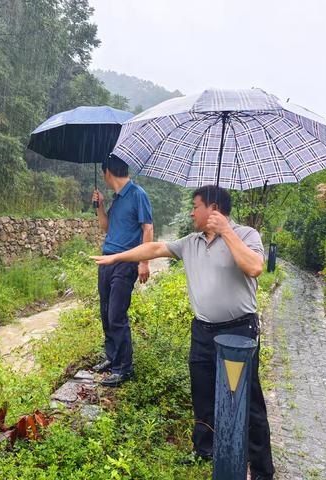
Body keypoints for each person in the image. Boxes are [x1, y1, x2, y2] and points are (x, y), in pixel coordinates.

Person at [91, 185, 274, 480]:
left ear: (212, 209)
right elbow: (155, 248)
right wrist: (116, 257)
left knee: (247, 400)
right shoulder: (192, 241)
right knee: (202, 394)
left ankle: (262, 469)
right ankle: (205, 450)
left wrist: (226, 231)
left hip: (239, 331)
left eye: (195, 206)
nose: (191, 212)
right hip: (202, 330)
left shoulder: (246, 235)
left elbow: (254, 267)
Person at [91, 154, 153, 387]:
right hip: (107, 259)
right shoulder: (117, 198)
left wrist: (144, 262)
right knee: (106, 311)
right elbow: (106, 227)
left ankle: (124, 369)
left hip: (127, 262)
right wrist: (100, 206)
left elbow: (147, 228)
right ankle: (112, 358)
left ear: (107, 172)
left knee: (117, 313)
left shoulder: (138, 194)